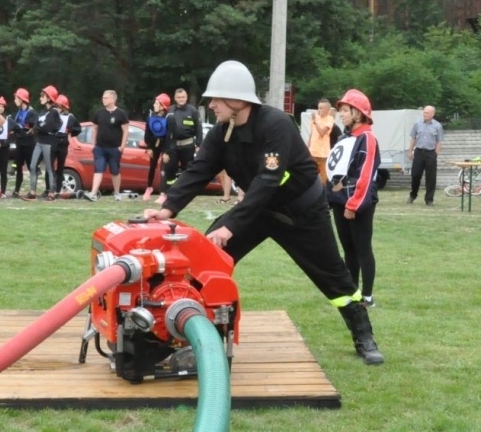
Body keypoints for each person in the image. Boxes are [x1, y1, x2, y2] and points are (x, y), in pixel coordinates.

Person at [142, 59, 384, 366]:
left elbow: (268, 180)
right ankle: (189, 334)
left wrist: (231, 225)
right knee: (206, 258)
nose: (211, 105)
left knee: (334, 277)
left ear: (238, 101)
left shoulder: (275, 124)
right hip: (256, 210)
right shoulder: (222, 133)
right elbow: (199, 170)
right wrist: (167, 208)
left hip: (301, 214)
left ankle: (364, 336)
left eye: (217, 99)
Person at [326, 89, 381, 307]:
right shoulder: (344, 137)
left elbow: (365, 175)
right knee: (348, 249)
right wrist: (330, 197)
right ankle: (352, 292)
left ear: (358, 113)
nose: (341, 114)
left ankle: (367, 296)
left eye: (345, 110)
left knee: (362, 248)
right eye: (341, 110)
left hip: (358, 202)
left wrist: (354, 204)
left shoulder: (367, 138)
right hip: (340, 200)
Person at [86, 89, 128, 201]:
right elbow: (94, 128)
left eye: (106, 98)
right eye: (103, 98)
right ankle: (93, 193)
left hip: (114, 148)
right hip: (100, 148)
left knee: (115, 171)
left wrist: (122, 146)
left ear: (113, 99)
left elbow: (125, 130)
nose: (103, 100)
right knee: (98, 169)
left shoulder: (121, 114)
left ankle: (117, 193)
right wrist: (93, 143)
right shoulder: (99, 113)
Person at [406, 105, 445, 206]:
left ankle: (429, 199)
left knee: (431, 177)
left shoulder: (437, 126)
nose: (424, 114)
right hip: (419, 152)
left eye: (427, 113)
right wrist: (410, 151)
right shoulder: (417, 124)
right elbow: (413, 138)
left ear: (432, 114)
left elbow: (439, 141)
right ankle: (413, 195)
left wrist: (435, 154)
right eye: (424, 112)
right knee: (415, 175)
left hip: (430, 153)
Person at [166, 86, 202, 184]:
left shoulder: (193, 110)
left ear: (186, 97)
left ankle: (186, 190)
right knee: (170, 169)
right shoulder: (170, 110)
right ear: (175, 98)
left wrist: (198, 145)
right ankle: (171, 189)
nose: (181, 99)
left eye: (183, 97)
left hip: (188, 145)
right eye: (179, 97)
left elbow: (199, 128)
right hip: (173, 145)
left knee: (188, 170)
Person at [26, 96, 58, 200]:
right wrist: (37, 127)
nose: (40, 98)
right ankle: (32, 192)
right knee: (32, 166)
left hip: (49, 142)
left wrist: (38, 127)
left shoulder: (54, 112)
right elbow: (37, 124)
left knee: (49, 168)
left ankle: (52, 193)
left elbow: (47, 126)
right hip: (39, 141)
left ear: (49, 98)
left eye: (43, 96)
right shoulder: (43, 111)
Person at [141, 94, 171, 200]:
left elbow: (170, 136)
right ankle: (149, 187)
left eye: (157, 103)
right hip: (154, 144)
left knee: (164, 168)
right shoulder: (150, 117)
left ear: (162, 106)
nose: (154, 105)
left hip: (165, 144)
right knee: (152, 166)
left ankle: (163, 193)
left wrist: (166, 151)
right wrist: (149, 147)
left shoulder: (169, 118)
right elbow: (147, 133)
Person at [9, 89, 35, 197]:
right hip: (19, 142)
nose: (14, 100)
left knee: (31, 167)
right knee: (18, 167)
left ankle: (32, 191)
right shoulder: (17, 113)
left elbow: (32, 126)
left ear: (22, 99)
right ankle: (16, 191)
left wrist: (23, 128)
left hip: (29, 143)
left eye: (16, 98)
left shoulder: (32, 113)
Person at [308, 98, 337, 185]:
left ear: (327, 110)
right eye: (318, 108)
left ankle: (325, 190)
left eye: (321, 108)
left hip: (323, 153)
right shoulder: (316, 118)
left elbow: (322, 133)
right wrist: (308, 146)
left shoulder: (330, 119)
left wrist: (315, 122)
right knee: (310, 172)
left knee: (324, 176)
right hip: (312, 151)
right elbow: (312, 133)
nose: (319, 110)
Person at [53, 93, 75, 192]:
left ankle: (57, 190)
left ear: (63, 107)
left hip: (63, 144)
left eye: (59, 106)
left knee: (60, 168)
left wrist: (69, 132)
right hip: (53, 142)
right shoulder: (53, 115)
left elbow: (77, 129)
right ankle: (49, 189)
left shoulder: (70, 117)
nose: (57, 107)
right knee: (50, 166)